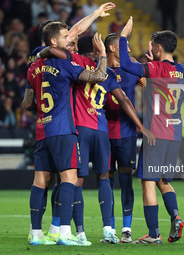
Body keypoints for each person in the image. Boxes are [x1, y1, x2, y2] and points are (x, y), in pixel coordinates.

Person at [39, 34, 155, 244]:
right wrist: (141, 126)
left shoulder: (75, 67)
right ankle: (108, 230)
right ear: (97, 49)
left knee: (75, 181)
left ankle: (80, 232)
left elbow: (55, 56)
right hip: (102, 130)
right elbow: (124, 99)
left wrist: (42, 51)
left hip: (80, 129)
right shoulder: (108, 72)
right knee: (104, 178)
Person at [24, 22, 109, 246]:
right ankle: (63, 233)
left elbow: (26, 103)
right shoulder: (65, 64)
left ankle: (35, 233)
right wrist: (102, 56)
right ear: (54, 42)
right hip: (63, 129)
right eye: (64, 36)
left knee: (40, 180)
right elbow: (100, 76)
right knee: (69, 179)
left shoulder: (33, 67)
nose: (68, 40)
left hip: (43, 129)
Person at [119, 17, 184, 244]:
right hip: (175, 134)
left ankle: (153, 234)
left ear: (158, 48)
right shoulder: (183, 70)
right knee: (163, 180)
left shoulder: (154, 67)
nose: (150, 48)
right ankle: (175, 216)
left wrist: (123, 38)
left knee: (148, 182)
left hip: (156, 134)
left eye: (152, 45)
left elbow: (126, 64)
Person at [103, 32, 145, 243]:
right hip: (103, 134)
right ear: (112, 48)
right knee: (106, 182)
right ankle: (109, 229)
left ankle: (126, 229)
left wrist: (146, 79)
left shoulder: (133, 70)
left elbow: (151, 84)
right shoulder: (99, 71)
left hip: (127, 134)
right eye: (124, 46)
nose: (128, 50)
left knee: (126, 181)